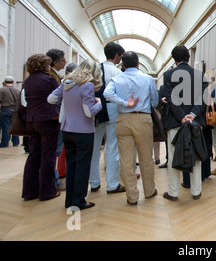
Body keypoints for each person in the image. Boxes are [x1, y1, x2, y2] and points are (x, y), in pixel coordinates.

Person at [104, 51, 159, 205]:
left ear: (122, 65)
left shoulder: (117, 78)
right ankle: (149, 191)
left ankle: (132, 196)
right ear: (138, 64)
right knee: (146, 158)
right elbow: (154, 101)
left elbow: (106, 93)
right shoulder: (148, 79)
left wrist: (123, 102)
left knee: (126, 160)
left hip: (123, 119)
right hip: (143, 119)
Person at [48, 59, 103, 210]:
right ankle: (79, 201)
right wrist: (98, 103)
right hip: (83, 131)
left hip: (67, 129)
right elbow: (88, 112)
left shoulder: (67, 82)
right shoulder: (87, 85)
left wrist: (68, 103)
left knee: (71, 165)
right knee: (83, 166)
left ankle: (70, 201)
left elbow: (51, 99)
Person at [161, 45, 208, 200]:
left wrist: (182, 116)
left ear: (174, 59)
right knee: (196, 155)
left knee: (174, 157)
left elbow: (170, 98)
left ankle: (173, 193)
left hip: (175, 122)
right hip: (195, 122)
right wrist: (192, 114)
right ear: (188, 57)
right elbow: (203, 98)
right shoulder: (199, 75)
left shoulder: (168, 74)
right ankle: (196, 191)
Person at [22, 54, 60, 202]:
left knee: (33, 156)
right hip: (48, 120)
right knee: (48, 156)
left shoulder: (28, 80)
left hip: (31, 121)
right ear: (45, 65)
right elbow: (58, 96)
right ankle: (47, 191)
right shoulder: (48, 79)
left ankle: (29, 191)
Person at [90, 42, 126, 194]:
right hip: (112, 108)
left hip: (96, 108)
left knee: (94, 146)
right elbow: (120, 93)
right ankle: (112, 184)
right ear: (116, 55)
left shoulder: (95, 69)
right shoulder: (117, 72)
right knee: (112, 146)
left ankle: (94, 182)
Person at [46, 49, 67, 191]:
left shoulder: (54, 75)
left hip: (51, 116)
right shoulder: (51, 77)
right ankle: (54, 180)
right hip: (53, 116)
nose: (65, 62)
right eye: (63, 60)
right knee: (54, 150)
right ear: (55, 62)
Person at [0, 76, 21, 148]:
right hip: (15, 110)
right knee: (14, 126)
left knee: (6, 127)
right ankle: (15, 142)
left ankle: (4, 143)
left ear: (5, 82)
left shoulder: (2, 90)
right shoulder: (17, 90)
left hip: (5, 109)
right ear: (13, 82)